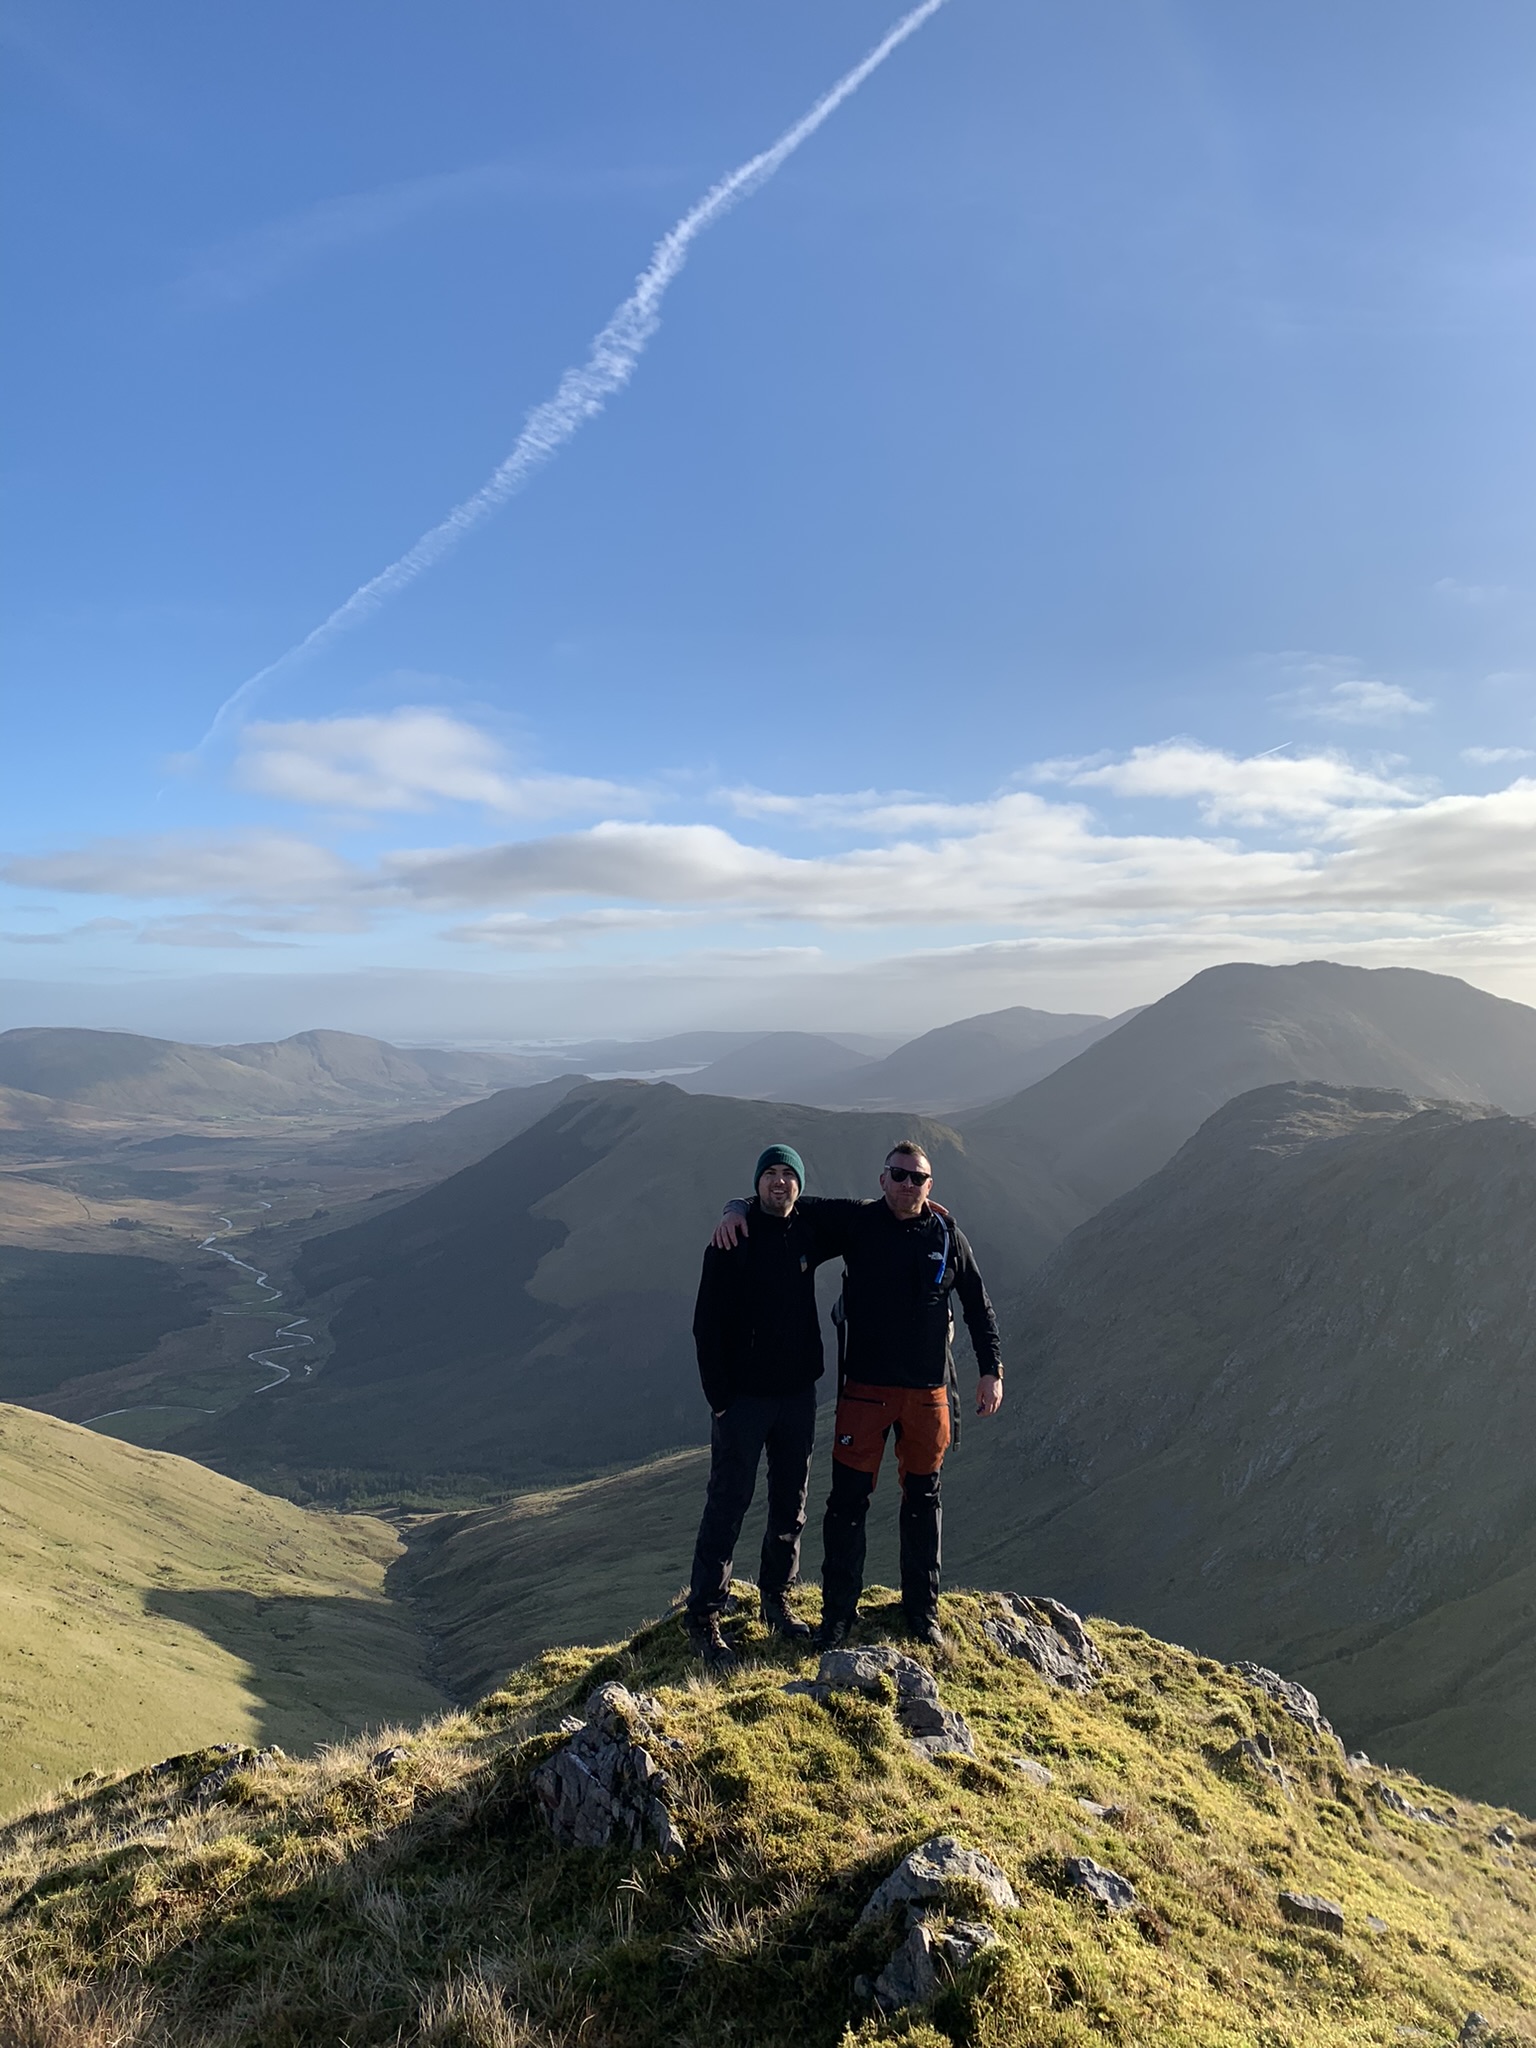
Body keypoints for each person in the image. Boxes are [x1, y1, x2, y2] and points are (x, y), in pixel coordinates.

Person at [712, 1141, 1003, 1650]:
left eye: (918, 1178)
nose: (908, 1185)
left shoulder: (946, 1233)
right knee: (847, 1505)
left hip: (928, 1395)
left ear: (930, 1186)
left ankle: (922, 1613)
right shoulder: (857, 1222)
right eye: (899, 1174)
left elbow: (978, 1304)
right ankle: (838, 1617)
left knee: (923, 1500)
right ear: (882, 1178)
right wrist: (735, 1207)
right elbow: (786, 1201)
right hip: (864, 1393)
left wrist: (990, 1370)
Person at [685, 1143, 837, 1667]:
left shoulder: (809, 1225)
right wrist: (720, 1400)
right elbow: (706, 1325)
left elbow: (866, 1215)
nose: (779, 1183)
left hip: (797, 1395)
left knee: (789, 1502)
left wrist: (923, 1204)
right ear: (757, 1183)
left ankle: (776, 1597)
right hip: (744, 1400)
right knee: (728, 1504)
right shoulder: (733, 1240)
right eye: (769, 1174)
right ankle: (705, 1616)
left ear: (799, 1183)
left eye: (787, 1174)